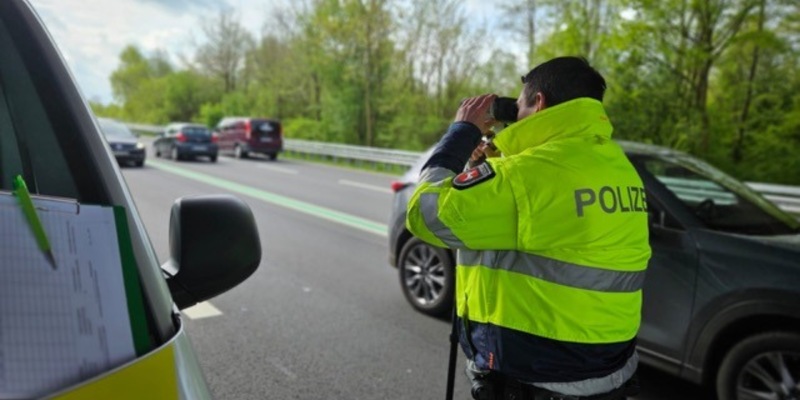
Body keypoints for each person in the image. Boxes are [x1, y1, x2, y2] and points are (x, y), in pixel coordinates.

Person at [405, 56, 651, 400]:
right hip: (609, 373)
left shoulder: (528, 175)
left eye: (519, 104)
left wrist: (462, 132)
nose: (514, 114)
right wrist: (482, 164)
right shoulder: (616, 165)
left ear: (539, 103)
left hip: (537, 377)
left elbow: (425, 214)